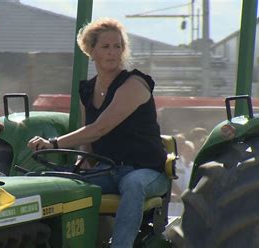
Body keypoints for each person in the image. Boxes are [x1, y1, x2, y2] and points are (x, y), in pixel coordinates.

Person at [27, 18, 168, 247]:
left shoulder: (133, 84)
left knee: (133, 184)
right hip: (108, 170)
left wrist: (53, 143)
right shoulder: (87, 90)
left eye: (117, 46)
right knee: (57, 185)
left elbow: (98, 129)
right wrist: (82, 162)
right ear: (90, 51)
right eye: (105, 47)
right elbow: (88, 142)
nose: (113, 52)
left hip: (146, 170)